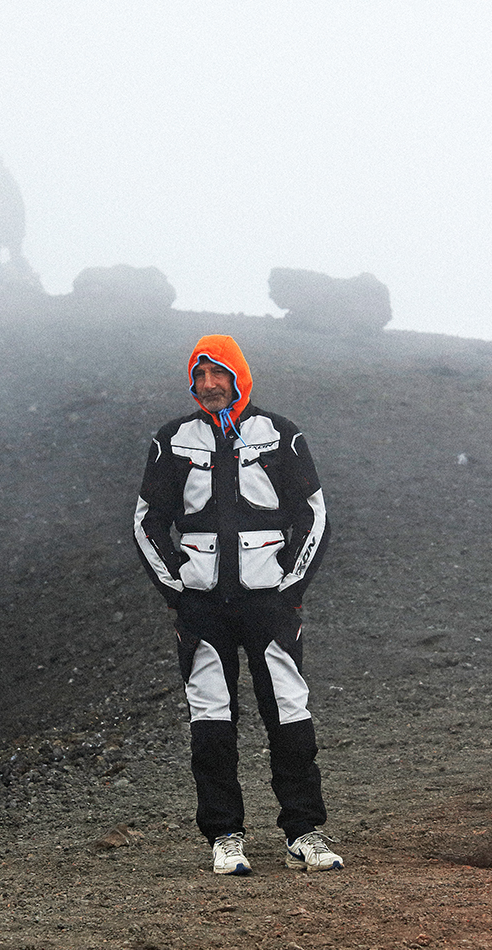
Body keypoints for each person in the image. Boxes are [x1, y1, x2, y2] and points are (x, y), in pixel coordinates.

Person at [133, 334, 342, 876]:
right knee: (211, 720)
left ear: (239, 377)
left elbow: (313, 513)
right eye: (199, 376)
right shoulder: (171, 439)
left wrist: (290, 586)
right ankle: (225, 836)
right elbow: (146, 520)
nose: (208, 386)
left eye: (218, 375)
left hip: (270, 607)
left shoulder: (280, 435)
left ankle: (304, 832)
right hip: (201, 608)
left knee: (289, 713)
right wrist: (175, 587)